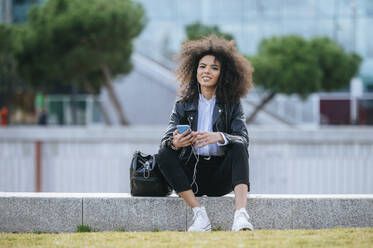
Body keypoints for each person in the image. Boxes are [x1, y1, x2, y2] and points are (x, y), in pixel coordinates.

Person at [157, 35, 254, 232]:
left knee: (238, 147)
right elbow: (166, 140)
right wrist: (177, 142)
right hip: (192, 175)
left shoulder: (232, 103)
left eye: (214, 68)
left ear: (223, 74)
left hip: (221, 176)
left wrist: (220, 137)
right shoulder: (183, 103)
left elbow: (243, 138)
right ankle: (199, 215)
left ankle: (241, 215)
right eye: (202, 66)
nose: (206, 71)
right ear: (195, 70)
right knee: (163, 153)